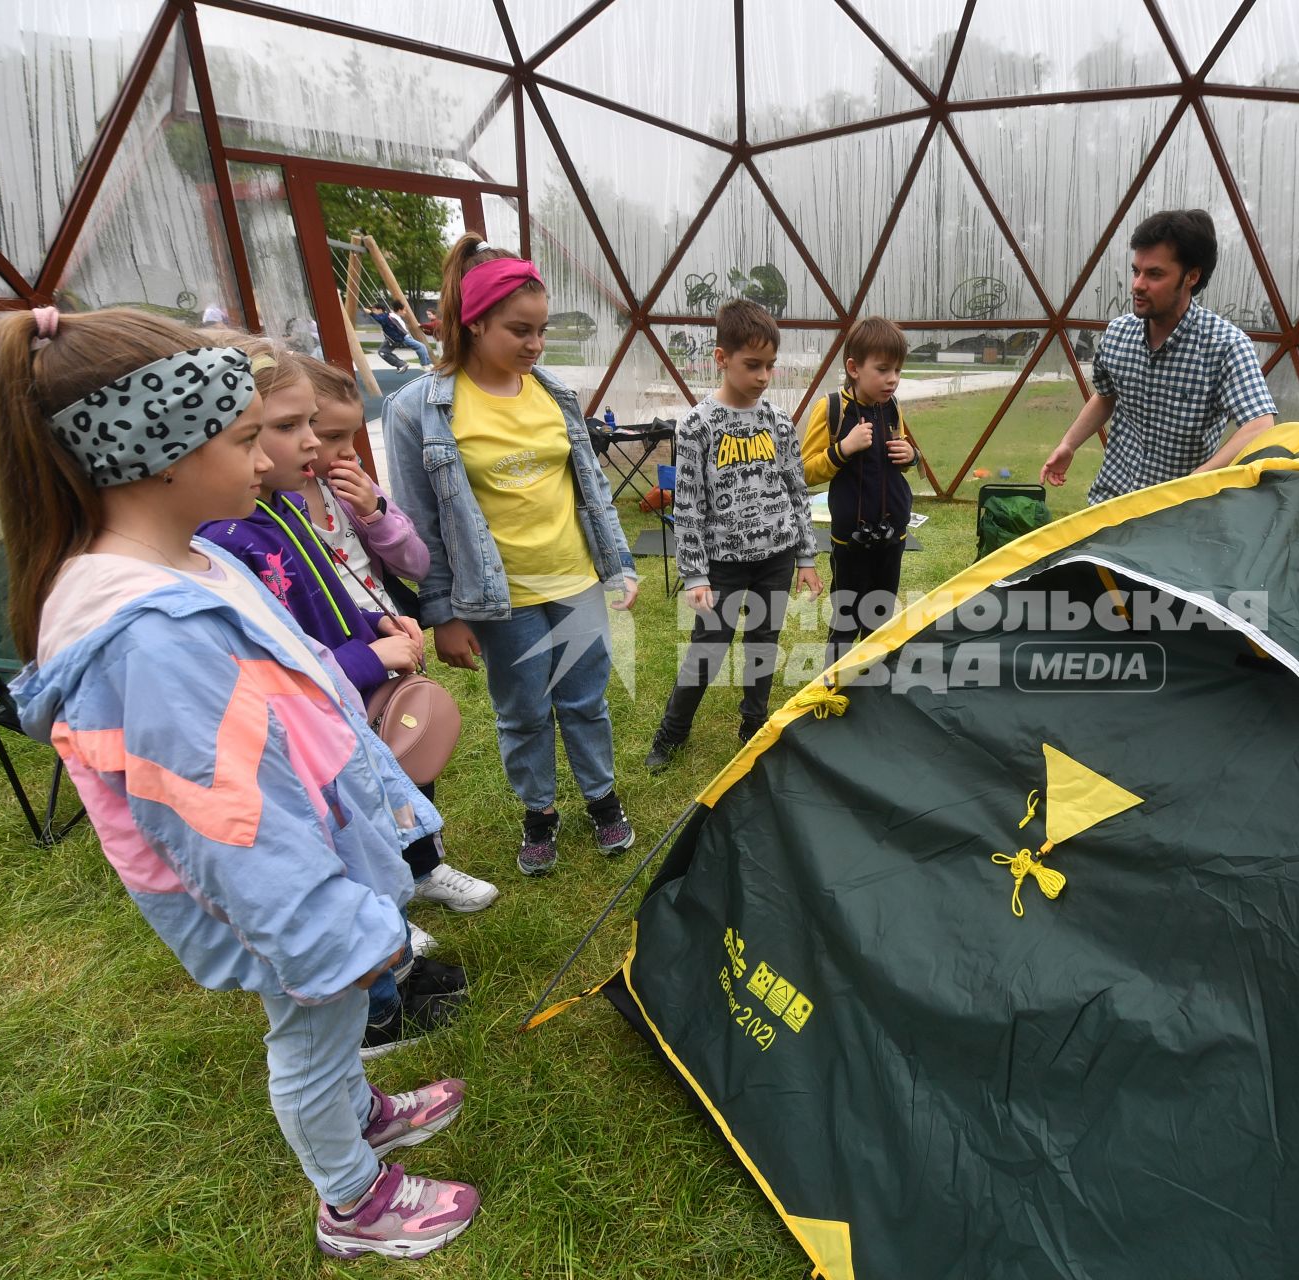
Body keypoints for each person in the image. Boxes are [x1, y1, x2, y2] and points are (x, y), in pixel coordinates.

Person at [0, 305, 477, 1258]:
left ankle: (360, 1111)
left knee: (329, 1029)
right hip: (280, 894)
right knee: (308, 1030)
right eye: (248, 436)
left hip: (311, 858)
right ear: (163, 452)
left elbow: (289, 695)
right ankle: (354, 1201)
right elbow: (228, 825)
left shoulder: (197, 559)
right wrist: (332, 933)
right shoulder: (149, 641)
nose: (269, 460)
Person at [196, 340, 472, 1055]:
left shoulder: (281, 508)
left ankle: (397, 971)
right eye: (282, 428)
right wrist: (365, 657)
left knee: (374, 848)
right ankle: (377, 1015)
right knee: (343, 867)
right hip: (309, 739)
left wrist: (372, 622)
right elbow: (274, 670)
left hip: (342, 717)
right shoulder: (225, 541)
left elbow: (327, 598)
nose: (311, 443)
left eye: (308, 425)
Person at [384, 234, 640, 875]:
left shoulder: (555, 396)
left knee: (585, 700)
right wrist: (442, 612)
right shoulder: (419, 409)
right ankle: (540, 813)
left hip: (574, 582)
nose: (534, 344)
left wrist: (618, 564)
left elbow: (589, 492)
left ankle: (602, 798)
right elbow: (422, 525)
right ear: (473, 325)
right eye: (518, 330)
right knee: (523, 711)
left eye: (541, 330)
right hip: (501, 601)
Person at [287, 351, 500, 915]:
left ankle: (423, 864)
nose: (340, 451)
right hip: (340, 661)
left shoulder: (344, 490)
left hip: (388, 645)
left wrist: (378, 511)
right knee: (354, 782)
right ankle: (383, 896)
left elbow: (414, 561)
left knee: (409, 750)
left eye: (350, 434)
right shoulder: (273, 510)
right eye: (328, 435)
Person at [645, 299, 822, 773]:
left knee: (763, 643)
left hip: (777, 556)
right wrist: (695, 573)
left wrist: (806, 557)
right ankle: (672, 732)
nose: (764, 376)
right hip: (722, 563)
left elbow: (796, 490)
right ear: (722, 358)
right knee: (709, 648)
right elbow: (687, 506)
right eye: (752, 365)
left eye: (770, 365)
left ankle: (753, 727)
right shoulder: (697, 426)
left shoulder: (778, 422)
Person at [1040, 210, 1277, 502]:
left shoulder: (1225, 346)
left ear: (1191, 276)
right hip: (1110, 502)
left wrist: (1194, 484)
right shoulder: (1117, 333)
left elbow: (1260, 426)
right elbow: (1105, 396)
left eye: (1154, 274)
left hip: (1176, 515)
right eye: (1135, 271)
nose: (1138, 284)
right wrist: (1069, 444)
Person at [800, 315, 919, 661]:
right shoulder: (833, 409)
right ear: (853, 367)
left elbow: (902, 453)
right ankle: (833, 682)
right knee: (847, 616)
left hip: (892, 532)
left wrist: (911, 455)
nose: (892, 379)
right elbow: (805, 471)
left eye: (897, 370)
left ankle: (877, 678)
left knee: (882, 614)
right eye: (883, 370)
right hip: (851, 538)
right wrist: (843, 449)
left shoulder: (892, 406)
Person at [367, 300, 431, 369]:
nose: (405, 313)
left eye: (374, 310)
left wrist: (371, 313)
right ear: (399, 310)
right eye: (404, 311)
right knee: (420, 346)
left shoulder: (390, 316)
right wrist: (371, 313)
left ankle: (421, 364)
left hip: (397, 339)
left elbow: (382, 318)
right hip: (400, 338)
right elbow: (380, 319)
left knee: (383, 352)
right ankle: (422, 364)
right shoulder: (389, 316)